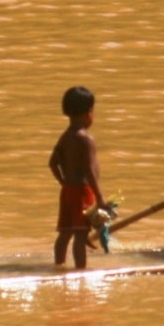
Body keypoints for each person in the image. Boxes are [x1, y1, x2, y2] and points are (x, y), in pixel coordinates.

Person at [48, 86, 110, 270]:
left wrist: (63, 182)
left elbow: (52, 163)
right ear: (88, 112)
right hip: (82, 192)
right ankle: (80, 270)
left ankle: (58, 265)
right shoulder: (85, 139)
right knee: (81, 235)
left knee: (65, 234)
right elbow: (90, 170)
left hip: (67, 191)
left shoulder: (65, 137)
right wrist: (99, 197)